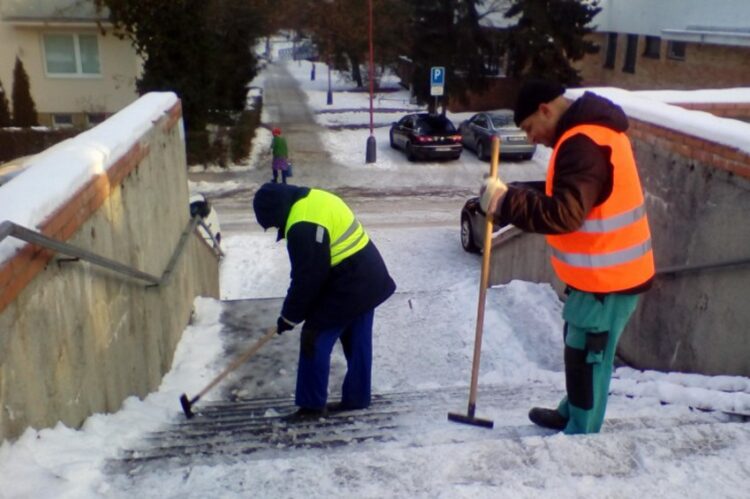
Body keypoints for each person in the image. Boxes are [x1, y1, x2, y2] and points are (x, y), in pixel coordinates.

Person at [479, 80, 655, 435]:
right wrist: (512, 196)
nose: (530, 139)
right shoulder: (589, 134)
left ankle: (581, 435)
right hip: (601, 275)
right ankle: (572, 410)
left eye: (529, 128)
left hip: (609, 279)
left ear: (546, 109)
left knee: (587, 357)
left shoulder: (582, 142)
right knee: (581, 349)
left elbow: (564, 213)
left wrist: (504, 202)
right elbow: (573, 201)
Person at [253, 182, 396, 421]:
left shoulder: (302, 225)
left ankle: (311, 407)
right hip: (370, 274)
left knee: (314, 337)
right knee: (357, 339)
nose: (277, 228)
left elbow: (307, 278)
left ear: (277, 212)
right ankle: (357, 398)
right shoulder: (313, 197)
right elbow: (317, 270)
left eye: (273, 223)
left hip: (350, 281)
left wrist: (289, 316)